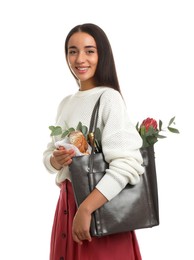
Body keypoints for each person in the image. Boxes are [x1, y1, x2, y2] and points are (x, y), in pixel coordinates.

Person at [43, 23, 145, 260]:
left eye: (89, 51)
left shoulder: (108, 98)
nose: (80, 59)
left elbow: (127, 164)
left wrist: (86, 209)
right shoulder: (66, 103)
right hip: (67, 209)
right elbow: (48, 157)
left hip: (98, 211)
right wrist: (56, 160)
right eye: (73, 51)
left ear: (102, 55)